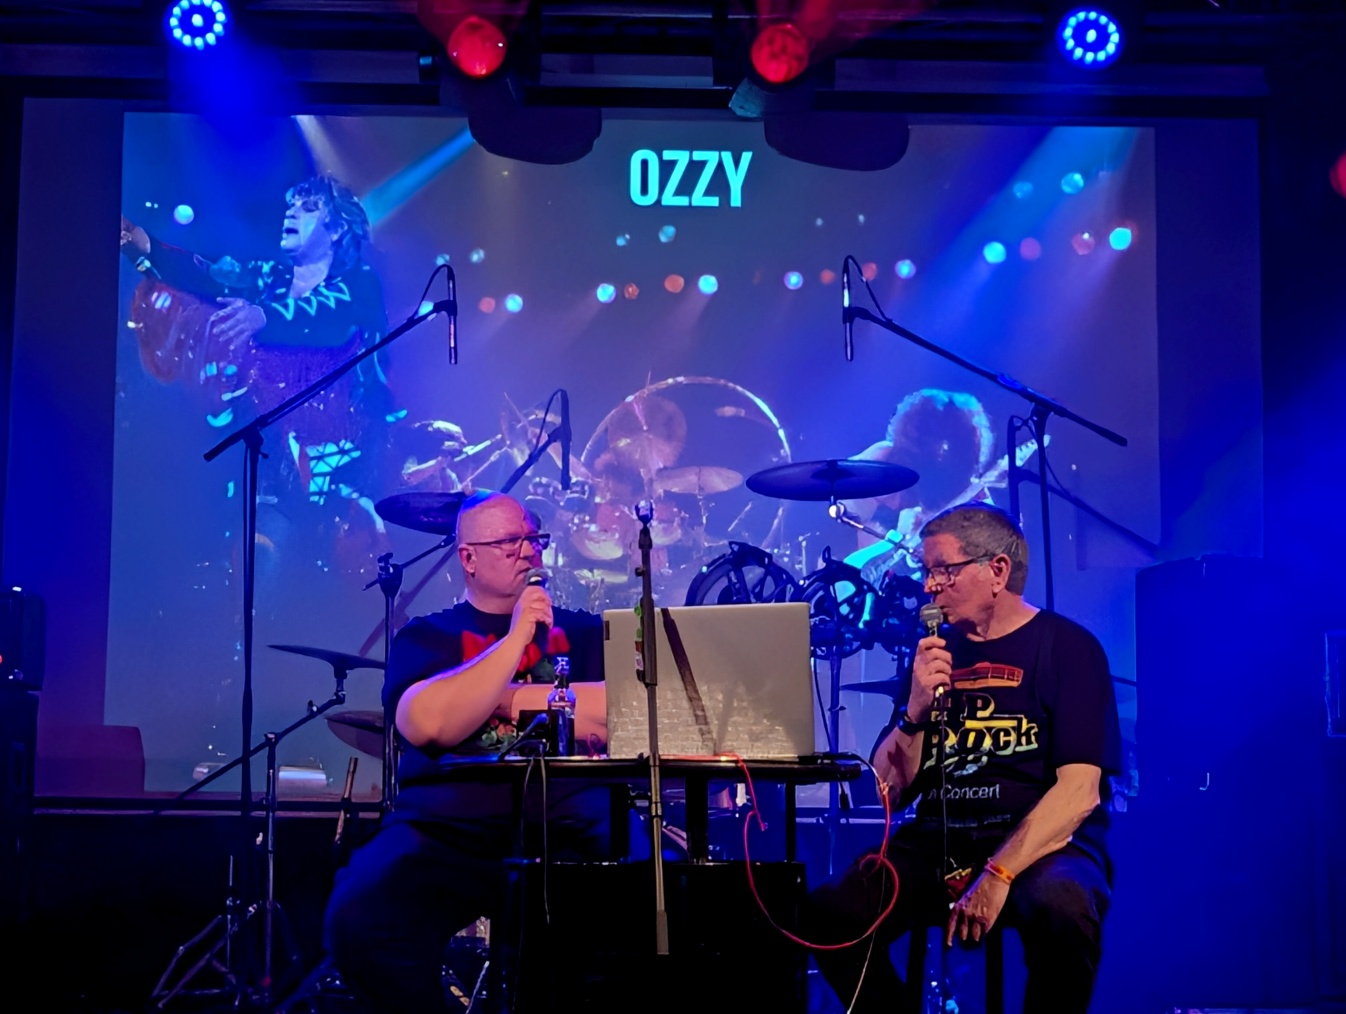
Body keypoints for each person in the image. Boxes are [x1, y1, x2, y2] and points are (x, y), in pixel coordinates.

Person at [806, 502, 1121, 1013]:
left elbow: (1079, 792)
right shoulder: (934, 654)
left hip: (1040, 846)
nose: (929, 586)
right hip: (941, 841)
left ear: (997, 570)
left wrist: (997, 875)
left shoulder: (1068, 648)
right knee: (832, 913)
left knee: (1063, 906)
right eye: (926, 571)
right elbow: (886, 792)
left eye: (944, 570)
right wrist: (914, 711)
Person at [323, 490, 610, 1014]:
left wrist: (494, 698)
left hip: (569, 821)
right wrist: (517, 638)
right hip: (446, 825)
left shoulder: (588, 633)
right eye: (509, 542)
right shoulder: (428, 638)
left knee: (663, 884)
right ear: (469, 558)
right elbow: (428, 725)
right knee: (360, 917)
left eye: (533, 539)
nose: (528, 551)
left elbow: (621, 713)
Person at [119, 174, 395, 532]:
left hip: (348, 454)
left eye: (308, 208)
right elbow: (206, 275)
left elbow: (329, 315)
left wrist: (264, 316)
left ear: (338, 229)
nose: (291, 213)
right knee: (259, 536)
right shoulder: (268, 279)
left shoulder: (361, 283)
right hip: (274, 453)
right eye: (291, 206)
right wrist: (143, 244)